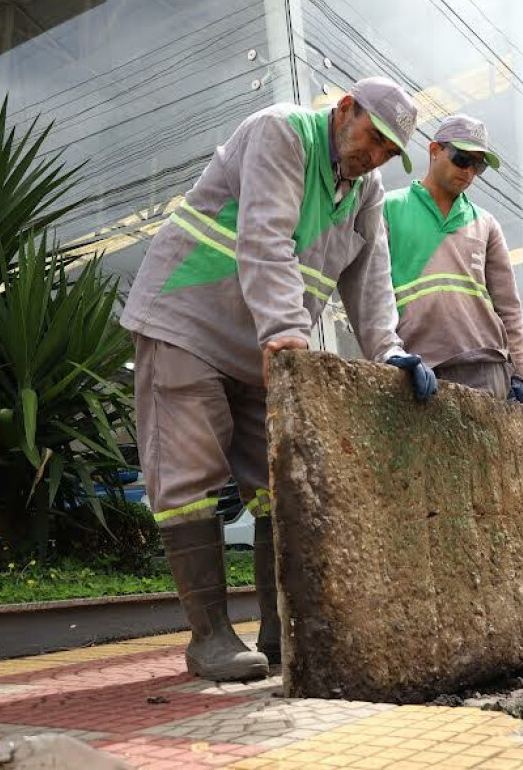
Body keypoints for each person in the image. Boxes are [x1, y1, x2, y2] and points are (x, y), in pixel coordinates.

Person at [121, 77, 438, 681]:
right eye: (373, 139)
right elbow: (265, 235)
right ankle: (209, 637)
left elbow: (370, 277)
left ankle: (279, 629)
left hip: (260, 343)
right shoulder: (282, 131)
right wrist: (286, 328)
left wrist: (389, 349)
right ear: (345, 110)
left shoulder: (364, 190)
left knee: (279, 480)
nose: (375, 157)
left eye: (389, 153)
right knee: (190, 478)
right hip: (186, 319)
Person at [382, 114, 523, 401]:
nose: (470, 171)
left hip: (486, 367)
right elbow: (372, 292)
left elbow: (508, 305)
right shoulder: (389, 208)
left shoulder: (485, 224)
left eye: (479, 165)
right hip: (419, 368)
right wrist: (388, 352)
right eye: (463, 158)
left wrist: (519, 372)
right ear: (434, 150)